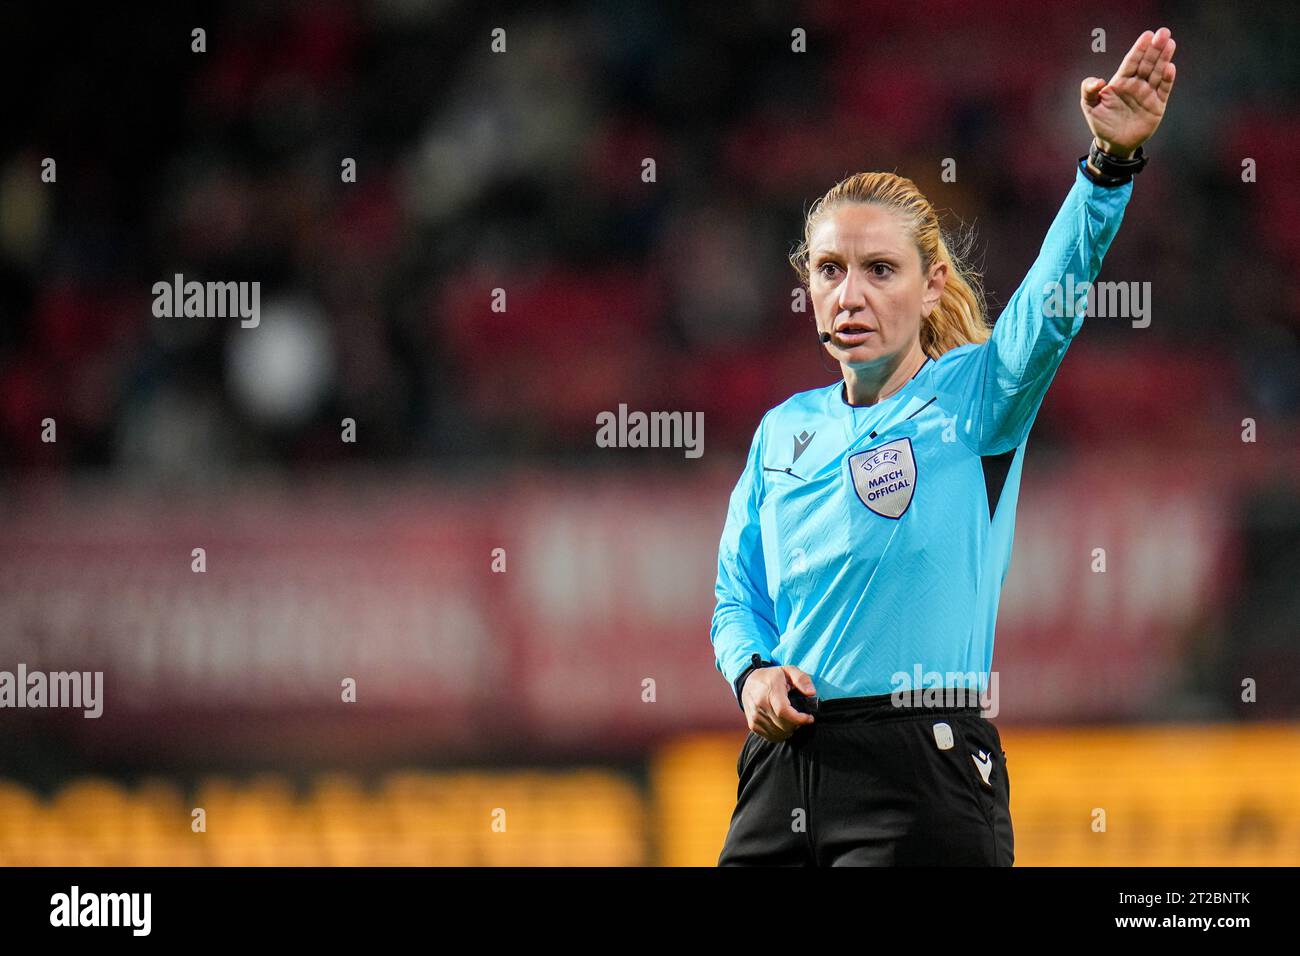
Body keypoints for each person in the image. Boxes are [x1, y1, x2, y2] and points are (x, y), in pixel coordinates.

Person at [711, 28, 1177, 866]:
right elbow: (736, 590)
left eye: (879, 270)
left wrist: (1107, 169)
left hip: (921, 769)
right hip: (782, 776)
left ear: (933, 286)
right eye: (828, 270)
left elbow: (1052, 305)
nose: (849, 294)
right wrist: (752, 674)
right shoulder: (782, 429)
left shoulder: (979, 397)